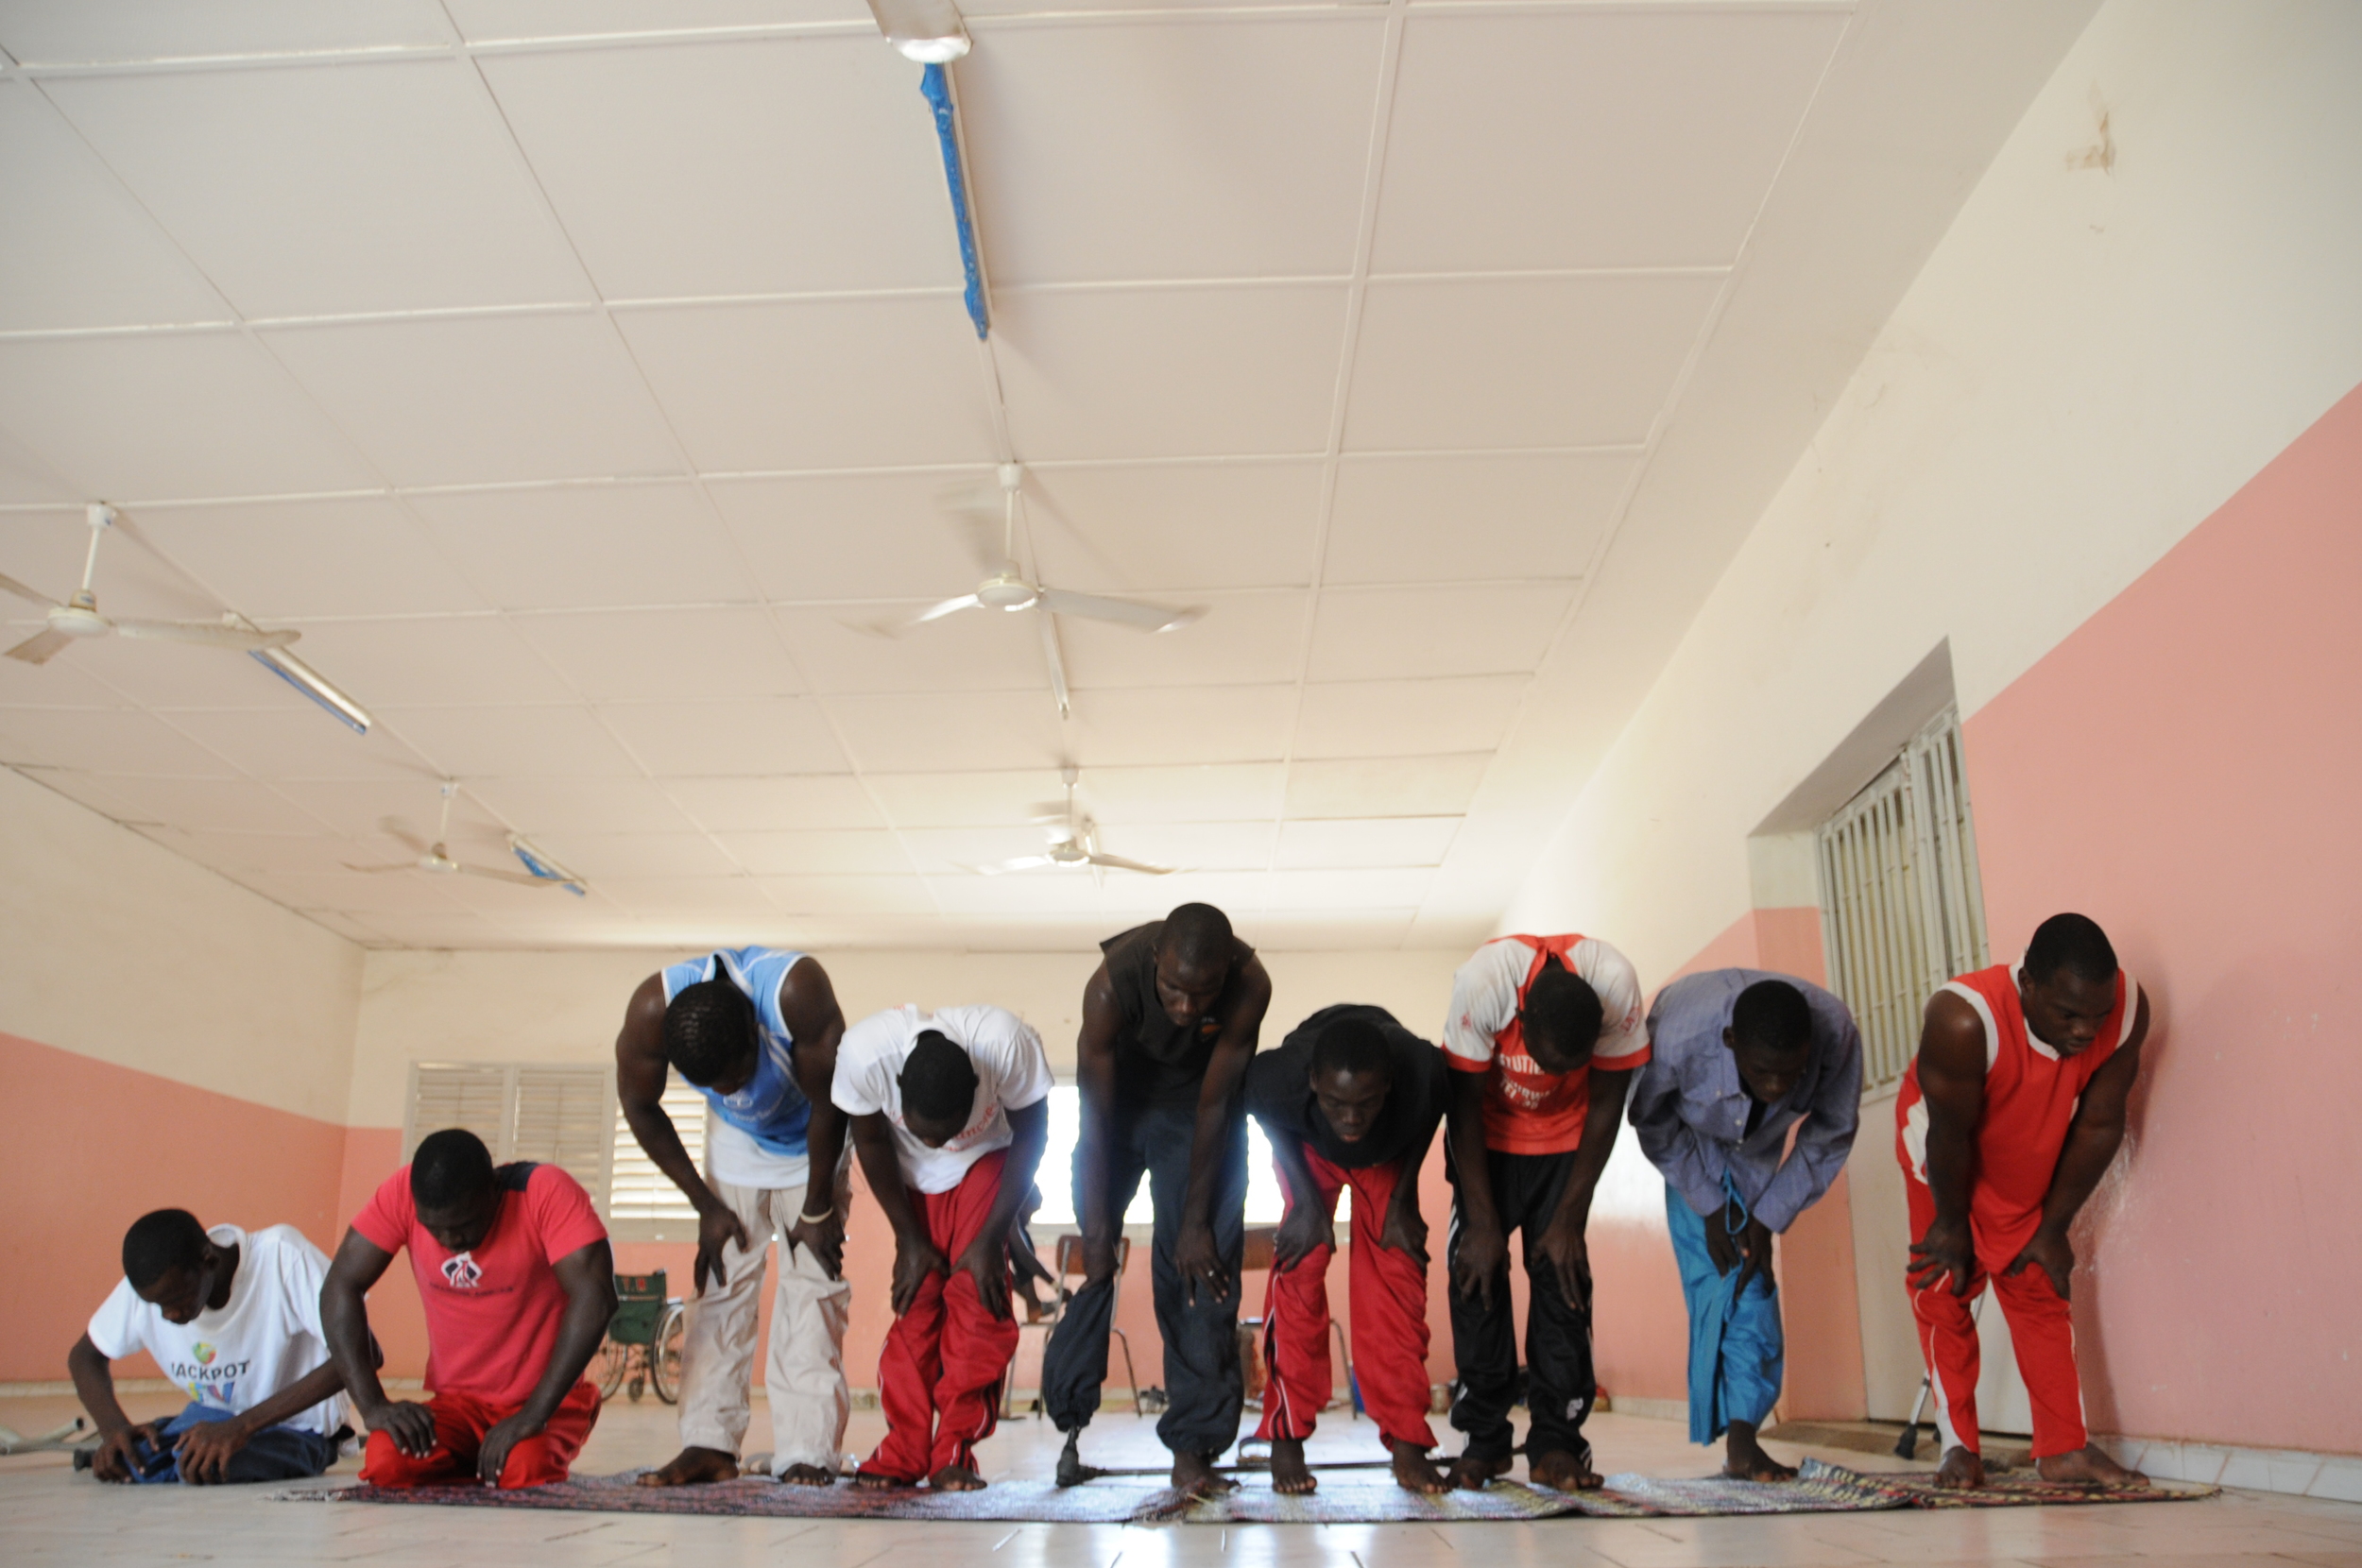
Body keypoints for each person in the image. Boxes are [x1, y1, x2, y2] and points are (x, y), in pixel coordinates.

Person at [1901, 912, 2152, 1491]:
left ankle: (2062, 1450)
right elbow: (1949, 1136)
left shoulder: (2131, 1008)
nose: (2087, 1031)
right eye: (2068, 1015)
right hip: (1944, 1156)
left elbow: (2099, 1122)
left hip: (2029, 1147)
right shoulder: (1963, 1018)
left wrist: (2054, 1226)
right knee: (1946, 1283)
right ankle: (1959, 1448)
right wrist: (1951, 1221)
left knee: (2038, 1279)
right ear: (2027, 986)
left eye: (2098, 1014)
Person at [1040, 904, 1270, 1495]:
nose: (1188, 1009)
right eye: (1173, 989)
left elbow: (1218, 1106)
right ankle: (1070, 1423)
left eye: (1202, 994)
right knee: (1095, 1266)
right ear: (1153, 961)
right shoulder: (1110, 986)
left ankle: (1194, 1452)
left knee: (1200, 1274)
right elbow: (1093, 1124)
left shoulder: (1250, 987)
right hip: (1118, 1109)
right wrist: (1098, 1230)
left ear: (1225, 973)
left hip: (1198, 1114)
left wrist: (1195, 1225)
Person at [614, 946, 851, 1487]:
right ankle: (708, 1444)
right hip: (736, 1146)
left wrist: (816, 1209)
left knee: (811, 1284)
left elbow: (833, 1104)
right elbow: (639, 1105)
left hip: (814, 1142)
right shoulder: (654, 1009)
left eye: (737, 1077)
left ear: (753, 1033)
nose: (731, 1091)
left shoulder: (795, 993)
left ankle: (806, 1451)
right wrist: (706, 1205)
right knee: (721, 1283)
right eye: (714, 1086)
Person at [1631, 971, 1862, 1481]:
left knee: (1753, 1278)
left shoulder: (1836, 1035)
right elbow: (1651, 1120)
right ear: (1730, 1042)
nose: (1779, 1087)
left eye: (1793, 1075)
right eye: (1763, 1072)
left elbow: (1831, 1131)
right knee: (1718, 1279)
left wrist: (1768, 1216)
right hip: (1692, 1145)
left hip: (1759, 1153)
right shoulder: (1676, 1037)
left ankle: (1742, 1440)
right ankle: (1737, 1438)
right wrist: (1709, 1203)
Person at [1441, 932, 1649, 1491]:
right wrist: (1482, 1224)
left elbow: (1608, 1101)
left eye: (1569, 1065)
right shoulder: (1484, 982)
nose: (1554, 1077)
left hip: (1567, 1147)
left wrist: (1570, 1220)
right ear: (1522, 1018)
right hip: (1487, 1141)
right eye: (1544, 1059)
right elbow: (1459, 1104)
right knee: (1475, 1274)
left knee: (1564, 1279)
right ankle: (1485, 1442)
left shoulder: (1616, 985)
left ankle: (1556, 1441)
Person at [321, 1129, 617, 1490]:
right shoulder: (404, 1192)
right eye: (435, 1230)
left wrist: (533, 1415)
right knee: (387, 1461)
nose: (450, 1242)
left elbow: (596, 1297)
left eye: (463, 1225)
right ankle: (478, 1464)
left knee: (523, 1470)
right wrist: (373, 1406)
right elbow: (340, 1286)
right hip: (457, 1405)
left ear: (492, 1188)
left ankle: (499, 1457)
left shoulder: (543, 1190)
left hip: (545, 1400)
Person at [835, 1004, 1053, 1491]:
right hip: (908, 1180)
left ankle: (953, 1450)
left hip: (988, 1160)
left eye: (946, 1130)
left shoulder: (1004, 1046)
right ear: (899, 1095)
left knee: (978, 1300)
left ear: (977, 1090)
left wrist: (994, 1236)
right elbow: (868, 1140)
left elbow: (1034, 1136)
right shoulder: (866, 1055)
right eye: (923, 1130)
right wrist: (907, 1239)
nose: (936, 1142)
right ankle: (904, 1451)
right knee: (916, 1302)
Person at [1243, 1004, 1452, 1495]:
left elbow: (1427, 1117)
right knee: (1301, 1261)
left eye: (1365, 1103)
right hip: (1306, 1151)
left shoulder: (1423, 1073)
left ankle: (1407, 1443)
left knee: (1397, 1274)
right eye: (1337, 1103)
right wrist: (1307, 1204)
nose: (1351, 1118)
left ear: (1389, 1085)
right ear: (1314, 1082)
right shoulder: (1278, 1078)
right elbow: (1264, 1111)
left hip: (1387, 1156)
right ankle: (1286, 1438)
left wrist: (1402, 1199)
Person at [67, 1209, 351, 1485]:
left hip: (299, 1430)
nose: (169, 1315)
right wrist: (113, 1429)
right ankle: (161, 1447)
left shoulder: (281, 1256)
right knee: (133, 1457)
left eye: (177, 1299)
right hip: (211, 1421)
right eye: (158, 1306)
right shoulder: (155, 1287)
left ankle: (173, 1449)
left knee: (205, 1463)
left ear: (209, 1261)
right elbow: (85, 1357)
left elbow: (357, 1354)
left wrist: (242, 1426)